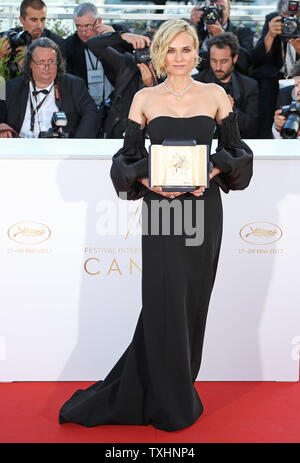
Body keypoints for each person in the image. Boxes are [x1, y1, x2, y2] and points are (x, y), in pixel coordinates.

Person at [59, 19, 253, 431]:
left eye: (186, 50)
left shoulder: (215, 94)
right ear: (160, 53)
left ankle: (179, 386)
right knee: (164, 301)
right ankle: (164, 398)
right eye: (171, 50)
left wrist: (210, 172)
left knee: (192, 301)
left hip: (203, 209)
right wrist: (149, 181)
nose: (178, 58)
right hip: (163, 210)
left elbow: (237, 151)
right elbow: (126, 159)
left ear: (195, 52)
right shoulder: (145, 98)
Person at [0, 37, 99, 138]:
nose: (47, 67)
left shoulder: (74, 85)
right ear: (30, 63)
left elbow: (92, 114)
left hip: (62, 149)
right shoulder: (11, 88)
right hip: (20, 149)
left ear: (58, 62)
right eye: (41, 62)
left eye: (51, 61)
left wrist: (77, 145)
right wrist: (2, 127)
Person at [86, 30, 155, 138]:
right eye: (143, 50)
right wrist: (122, 36)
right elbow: (93, 44)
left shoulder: (170, 74)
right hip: (120, 135)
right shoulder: (127, 64)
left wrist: (151, 85)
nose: (146, 56)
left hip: (152, 139)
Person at [63, 2, 129, 109]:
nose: (83, 32)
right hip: (86, 106)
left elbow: (131, 51)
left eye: (88, 26)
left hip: (116, 103)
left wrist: (115, 37)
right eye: (78, 26)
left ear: (99, 21)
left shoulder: (114, 33)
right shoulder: (69, 46)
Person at [195, 32, 259, 138]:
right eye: (213, 60)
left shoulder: (249, 86)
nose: (218, 67)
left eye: (223, 61)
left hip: (235, 147)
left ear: (234, 59)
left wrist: (230, 109)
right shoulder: (197, 82)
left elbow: (252, 128)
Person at [251, 0, 300, 138]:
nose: (289, 22)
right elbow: (256, 59)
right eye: (284, 17)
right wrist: (270, 36)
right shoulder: (272, 19)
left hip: (298, 76)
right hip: (276, 76)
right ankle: (265, 136)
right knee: (266, 85)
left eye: (294, 18)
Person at [0, 0, 65, 78]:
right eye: (33, 20)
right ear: (21, 20)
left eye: (42, 19)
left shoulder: (56, 43)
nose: (39, 25)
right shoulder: (7, 38)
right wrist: (1, 57)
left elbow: (62, 78)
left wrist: (30, 60)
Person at [190, 0, 253, 75]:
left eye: (221, 7)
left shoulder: (242, 32)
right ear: (204, 10)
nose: (215, 12)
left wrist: (223, 37)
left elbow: (245, 63)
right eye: (211, 7)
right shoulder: (197, 31)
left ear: (229, 11)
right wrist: (192, 26)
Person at [272, 60, 300, 138]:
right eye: (296, 85)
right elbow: (280, 142)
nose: (298, 91)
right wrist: (278, 128)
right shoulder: (288, 100)